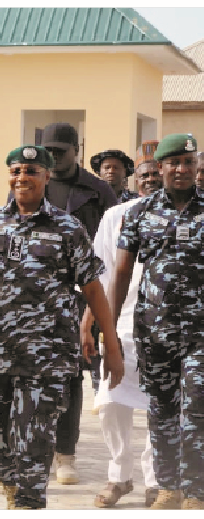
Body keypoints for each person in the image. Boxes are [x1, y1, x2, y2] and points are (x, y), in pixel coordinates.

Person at [0, 145, 124, 509]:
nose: (22, 177)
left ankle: (28, 500)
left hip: (46, 359)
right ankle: (14, 487)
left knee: (34, 444)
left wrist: (111, 341)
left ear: (46, 176)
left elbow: (93, 288)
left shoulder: (68, 228)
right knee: (0, 444)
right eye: (16, 171)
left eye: (31, 170)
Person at [109, 133, 204, 510]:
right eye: (173, 163)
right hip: (155, 330)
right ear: (160, 168)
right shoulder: (139, 212)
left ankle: (196, 489)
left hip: (201, 331)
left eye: (188, 163)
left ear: (197, 167)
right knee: (161, 408)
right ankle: (169, 486)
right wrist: (109, 329)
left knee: (197, 402)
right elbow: (120, 273)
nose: (181, 170)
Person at [82, 140, 162, 509]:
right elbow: (97, 272)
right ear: (137, 179)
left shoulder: (185, 214)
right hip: (120, 324)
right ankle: (119, 475)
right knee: (111, 399)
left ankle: (155, 479)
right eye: (146, 175)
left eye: (156, 174)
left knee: (162, 405)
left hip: (168, 329)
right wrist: (89, 322)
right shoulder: (116, 216)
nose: (151, 180)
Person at [40, 122, 117, 484]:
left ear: (77, 151)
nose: (54, 158)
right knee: (31, 377)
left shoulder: (99, 191)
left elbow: (112, 249)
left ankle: (65, 455)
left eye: (61, 151)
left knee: (70, 376)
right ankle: (29, 452)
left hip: (79, 296)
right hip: (34, 296)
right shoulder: (31, 181)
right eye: (49, 151)